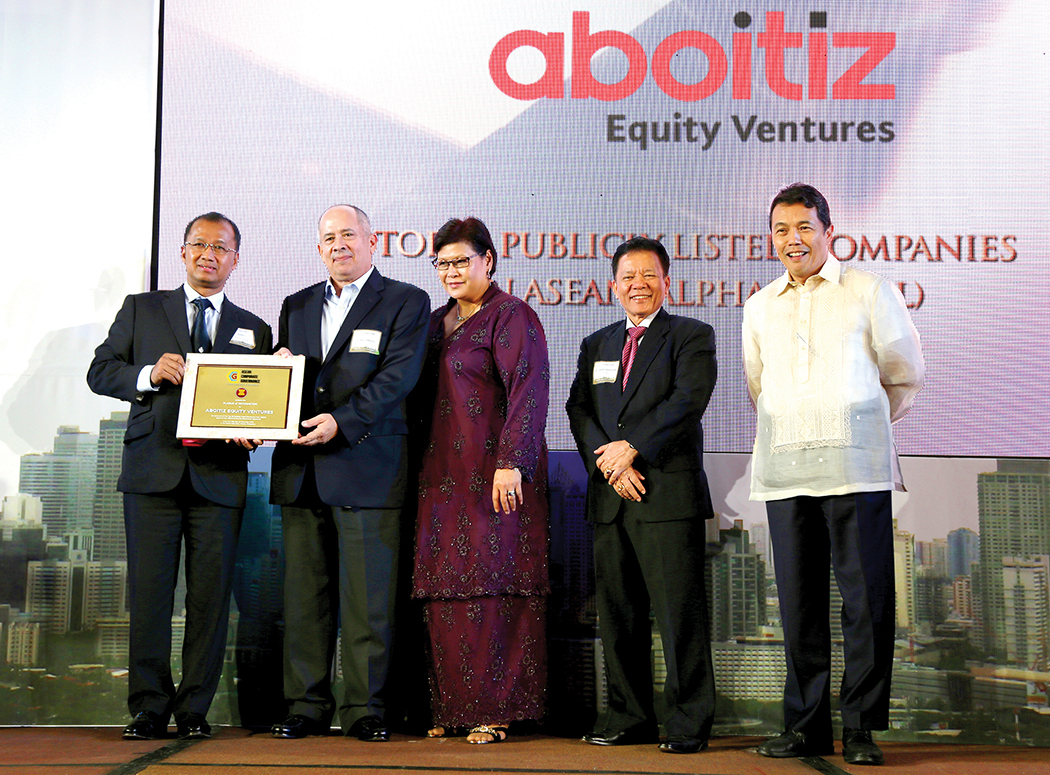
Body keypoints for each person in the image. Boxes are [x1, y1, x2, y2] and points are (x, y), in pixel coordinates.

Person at [744, 183, 924, 766]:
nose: (791, 240)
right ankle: (805, 727)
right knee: (798, 605)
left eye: (803, 227)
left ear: (828, 231)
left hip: (855, 468)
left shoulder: (868, 290)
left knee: (866, 602)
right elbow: (758, 384)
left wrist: (856, 420)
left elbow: (902, 373)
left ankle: (863, 729)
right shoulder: (759, 303)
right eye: (780, 230)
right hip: (785, 473)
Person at [87, 212, 273, 740]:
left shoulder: (254, 327)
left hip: (219, 477)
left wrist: (254, 428)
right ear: (183, 251)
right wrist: (147, 374)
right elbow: (101, 370)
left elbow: (257, 403)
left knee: (210, 601)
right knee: (149, 594)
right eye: (199, 244)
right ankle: (148, 706)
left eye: (221, 247)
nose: (209, 254)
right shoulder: (142, 309)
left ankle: (194, 709)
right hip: (152, 472)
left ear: (236, 259)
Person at [269, 204, 430, 742]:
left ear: (372, 241)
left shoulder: (407, 301)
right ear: (319, 248)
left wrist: (341, 422)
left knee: (368, 603)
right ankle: (306, 706)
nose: (339, 244)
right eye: (329, 237)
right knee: (305, 601)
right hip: (301, 471)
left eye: (348, 235)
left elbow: (398, 378)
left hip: (368, 465)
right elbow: (285, 377)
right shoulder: (296, 304)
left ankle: (366, 708)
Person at [566, 236, 717, 755]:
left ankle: (687, 723)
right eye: (628, 277)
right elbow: (578, 409)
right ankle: (628, 716)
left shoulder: (692, 336)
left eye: (648, 275)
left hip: (666, 496)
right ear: (613, 285)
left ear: (666, 281)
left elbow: (686, 402)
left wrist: (633, 449)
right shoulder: (597, 344)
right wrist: (608, 463)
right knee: (619, 614)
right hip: (611, 496)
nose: (638, 285)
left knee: (679, 616)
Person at [411, 217, 550, 745]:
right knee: (443, 590)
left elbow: (529, 391)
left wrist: (512, 461)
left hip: (496, 479)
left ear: (488, 260)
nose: (450, 271)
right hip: (437, 476)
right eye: (442, 263)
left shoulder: (512, 315)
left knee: (494, 590)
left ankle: (495, 711)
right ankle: (452, 707)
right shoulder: (431, 321)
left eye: (460, 261)